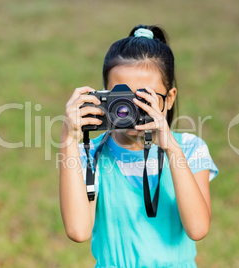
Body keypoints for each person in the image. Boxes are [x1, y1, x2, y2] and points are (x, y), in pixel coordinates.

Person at [59, 24, 218, 268]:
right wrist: (68, 139)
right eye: (122, 97)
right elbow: (78, 231)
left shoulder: (189, 148)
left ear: (170, 98)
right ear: (104, 97)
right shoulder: (92, 156)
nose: (131, 109)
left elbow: (197, 228)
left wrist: (172, 149)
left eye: (144, 98)